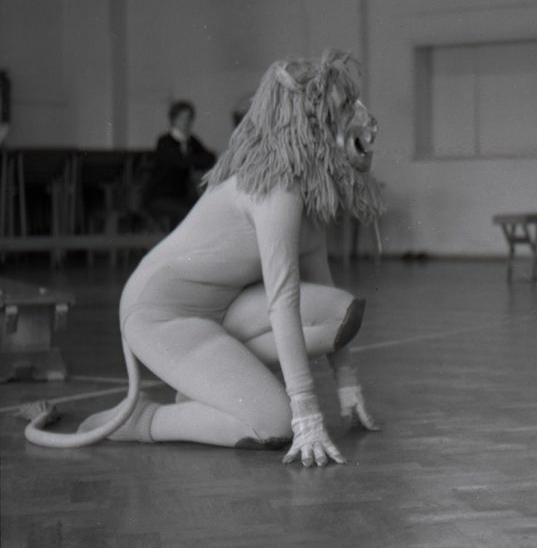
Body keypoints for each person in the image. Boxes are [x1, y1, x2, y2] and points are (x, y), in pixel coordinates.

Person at [21, 50, 385, 467]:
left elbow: (320, 289)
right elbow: (283, 299)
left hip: (222, 308)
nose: (356, 116)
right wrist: (305, 410)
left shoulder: (307, 200)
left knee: (342, 313)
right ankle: (145, 420)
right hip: (162, 314)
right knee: (275, 425)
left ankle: (210, 384)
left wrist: (347, 386)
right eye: (340, 107)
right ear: (309, 120)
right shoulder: (276, 189)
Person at [144, 100, 217, 229]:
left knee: (206, 209)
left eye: (189, 118)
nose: (187, 122)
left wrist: (192, 159)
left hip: (181, 195)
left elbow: (210, 157)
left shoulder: (190, 141)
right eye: (182, 118)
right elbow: (179, 161)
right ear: (174, 120)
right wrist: (194, 160)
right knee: (189, 212)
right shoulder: (164, 141)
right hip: (161, 196)